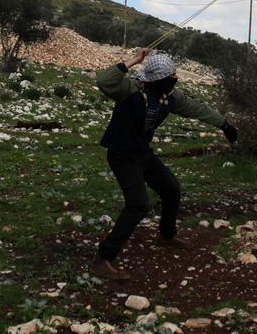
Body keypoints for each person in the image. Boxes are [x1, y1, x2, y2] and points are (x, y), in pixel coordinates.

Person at [89, 48, 238, 280]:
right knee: (138, 205)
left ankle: (166, 236)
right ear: (160, 80)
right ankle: (102, 260)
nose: (177, 78)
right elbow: (103, 80)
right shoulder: (129, 90)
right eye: (173, 75)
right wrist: (134, 60)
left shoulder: (170, 97)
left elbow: (197, 108)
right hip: (122, 154)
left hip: (142, 153)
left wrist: (225, 125)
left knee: (171, 189)